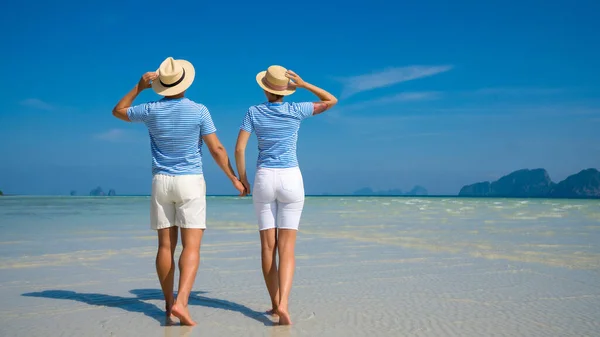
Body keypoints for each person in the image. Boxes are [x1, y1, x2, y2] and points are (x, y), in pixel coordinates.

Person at [112, 56, 245, 326]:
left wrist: (138, 87)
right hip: (190, 181)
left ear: (162, 85)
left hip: (161, 181)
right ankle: (182, 302)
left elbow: (118, 110)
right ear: (185, 82)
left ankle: (168, 304)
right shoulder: (199, 111)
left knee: (164, 246)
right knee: (191, 246)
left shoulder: (150, 109)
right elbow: (216, 149)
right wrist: (233, 177)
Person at [234, 65, 338, 325]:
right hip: (291, 178)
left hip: (264, 178)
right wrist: (303, 84)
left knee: (268, 247)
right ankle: (284, 304)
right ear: (286, 90)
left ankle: (273, 303)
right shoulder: (297, 109)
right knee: (287, 248)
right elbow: (330, 100)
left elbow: (239, 148)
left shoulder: (253, 112)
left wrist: (242, 179)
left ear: (264, 88)